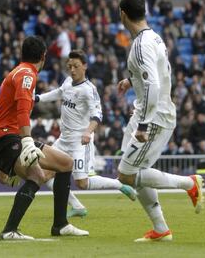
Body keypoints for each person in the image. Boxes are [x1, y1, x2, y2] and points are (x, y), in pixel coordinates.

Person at [116, 0, 205, 242]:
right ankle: (161, 229)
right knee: (134, 170)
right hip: (152, 112)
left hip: (154, 118)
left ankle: (189, 184)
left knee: (126, 174)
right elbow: (155, 76)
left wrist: (143, 124)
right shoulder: (153, 38)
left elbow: (153, 86)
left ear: (123, 14)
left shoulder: (141, 45)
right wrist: (130, 80)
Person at [0, 36, 88, 240]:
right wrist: (27, 142)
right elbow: (23, 109)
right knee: (66, 163)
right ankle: (59, 225)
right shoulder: (27, 74)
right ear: (43, 56)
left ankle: (13, 230)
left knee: (38, 176)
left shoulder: (17, 71)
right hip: (9, 137)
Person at [35, 49, 137, 218]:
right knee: (44, 174)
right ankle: (77, 206)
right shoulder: (68, 81)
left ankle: (119, 185)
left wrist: (88, 132)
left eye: (76, 66)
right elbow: (59, 92)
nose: (72, 70)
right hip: (63, 140)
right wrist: (38, 98)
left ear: (85, 66)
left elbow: (98, 114)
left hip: (80, 141)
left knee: (82, 182)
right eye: (70, 66)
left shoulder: (89, 90)